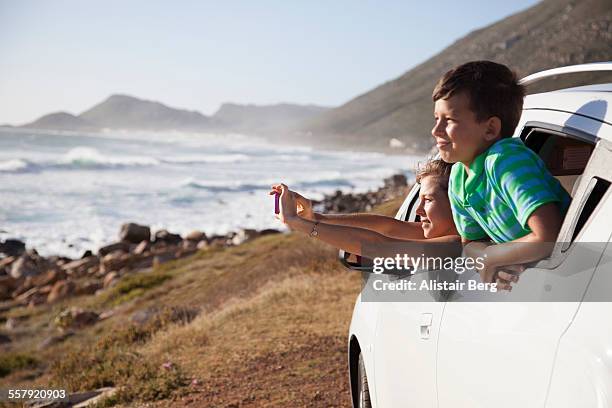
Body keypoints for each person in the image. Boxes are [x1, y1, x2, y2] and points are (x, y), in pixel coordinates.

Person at [431, 60, 571, 283]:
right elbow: (470, 245)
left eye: (449, 120)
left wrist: (492, 256)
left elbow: (548, 237)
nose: (436, 130)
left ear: (490, 129)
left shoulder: (505, 160)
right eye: (437, 119)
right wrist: (490, 258)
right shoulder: (458, 177)